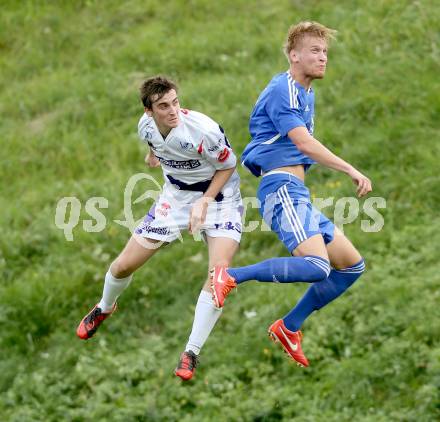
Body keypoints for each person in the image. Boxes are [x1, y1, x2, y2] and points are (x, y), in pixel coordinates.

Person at [210, 21, 372, 367]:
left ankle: (289, 326)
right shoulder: (283, 90)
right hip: (280, 190)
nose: (323, 57)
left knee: (350, 267)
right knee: (316, 266)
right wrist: (350, 169)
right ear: (293, 55)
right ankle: (230, 276)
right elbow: (303, 143)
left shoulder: (305, 92)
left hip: (297, 192)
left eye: (325, 51)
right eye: (315, 50)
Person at [77, 76, 243, 381]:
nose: (173, 110)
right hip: (175, 199)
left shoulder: (203, 130)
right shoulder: (146, 126)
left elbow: (229, 164)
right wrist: (154, 155)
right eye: (164, 106)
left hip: (221, 200)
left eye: (175, 102)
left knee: (218, 277)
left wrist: (205, 201)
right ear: (149, 111)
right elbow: (153, 143)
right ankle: (104, 306)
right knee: (124, 265)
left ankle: (191, 351)